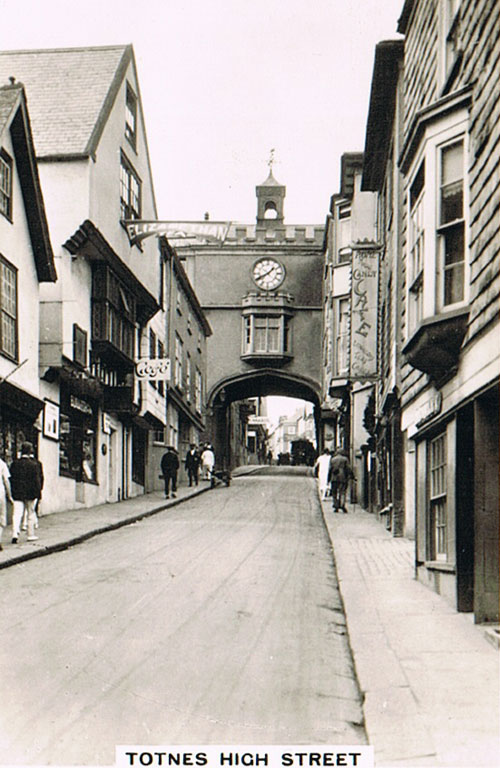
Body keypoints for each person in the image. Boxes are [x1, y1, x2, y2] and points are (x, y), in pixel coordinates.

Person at [10, 442, 44, 543]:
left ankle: (15, 533)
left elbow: (11, 478)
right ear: (30, 451)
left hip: (18, 493)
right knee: (30, 514)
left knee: (16, 514)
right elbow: (37, 481)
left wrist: (12, 491)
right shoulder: (34, 465)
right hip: (30, 493)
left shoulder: (14, 464)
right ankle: (30, 534)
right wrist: (39, 493)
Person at [328, 447, 354, 513]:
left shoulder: (333, 459)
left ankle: (336, 505)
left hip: (334, 477)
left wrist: (328, 479)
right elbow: (348, 468)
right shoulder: (345, 459)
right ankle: (342, 505)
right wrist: (352, 475)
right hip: (343, 477)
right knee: (342, 492)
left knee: (334, 493)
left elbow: (330, 469)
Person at [0, 455, 14, 551]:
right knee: (1, 518)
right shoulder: (1, 463)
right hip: (0, 494)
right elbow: (6, 481)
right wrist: (9, 496)